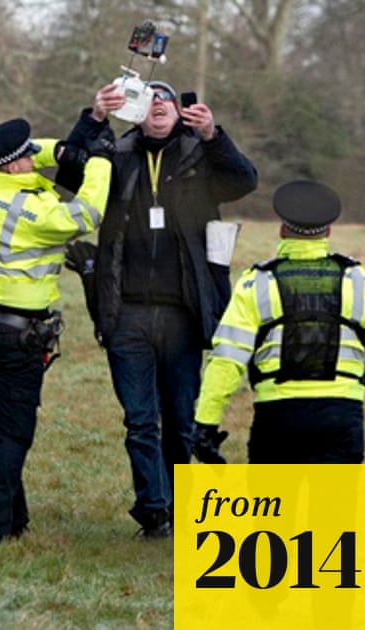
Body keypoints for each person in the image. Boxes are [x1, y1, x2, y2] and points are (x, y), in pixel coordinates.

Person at [64, 79, 258, 538]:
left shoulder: (200, 158)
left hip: (184, 315)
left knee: (180, 420)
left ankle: (183, 505)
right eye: (149, 99)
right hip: (126, 312)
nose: (159, 106)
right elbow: (69, 174)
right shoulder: (115, 155)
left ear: (181, 112)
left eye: (167, 100)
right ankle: (153, 510)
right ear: (136, 110)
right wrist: (94, 118)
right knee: (139, 420)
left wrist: (214, 135)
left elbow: (244, 180)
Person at [0, 117, 111, 543]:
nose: (31, 160)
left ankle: (11, 520)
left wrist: (59, 151)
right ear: (11, 168)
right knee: (12, 436)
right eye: (25, 158)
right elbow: (88, 212)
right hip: (16, 336)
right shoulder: (35, 212)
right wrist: (99, 161)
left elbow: (30, 151)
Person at [191, 180, 365, 464]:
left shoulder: (256, 283)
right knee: (331, 509)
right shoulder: (361, 280)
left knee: (278, 507)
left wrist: (205, 424)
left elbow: (226, 359)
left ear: (282, 229)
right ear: (328, 231)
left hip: (277, 416)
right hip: (341, 414)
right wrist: (357, 353)